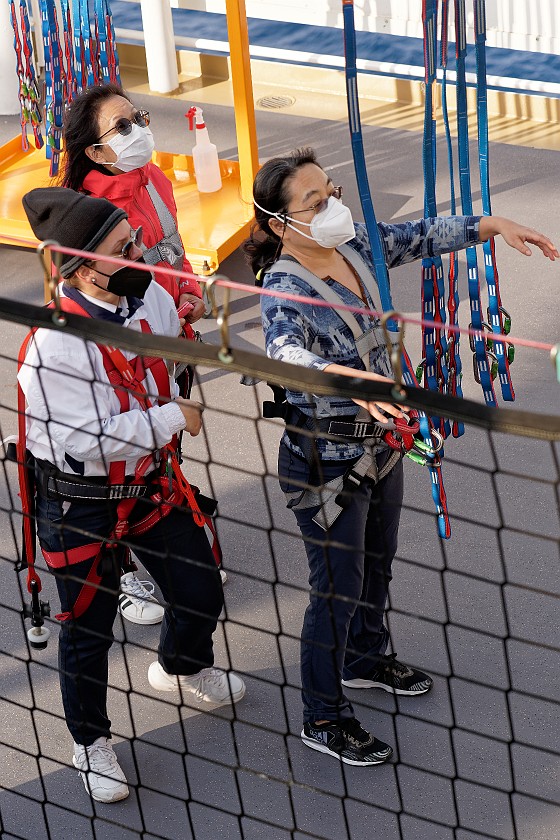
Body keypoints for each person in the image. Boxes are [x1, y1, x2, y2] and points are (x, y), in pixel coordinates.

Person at [243, 147, 558, 767]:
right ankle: (322, 715)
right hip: (326, 462)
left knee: (377, 561)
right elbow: (286, 356)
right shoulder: (285, 288)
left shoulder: (356, 245)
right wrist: (350, 381)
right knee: (335, 586)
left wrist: (491, 226)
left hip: (383, 446)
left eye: (332, 192)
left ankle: (363, 656)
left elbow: (419, 237)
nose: (334, 207)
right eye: (315, 203)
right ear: (281, 225)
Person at [18, 187, 245, 803]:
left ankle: (180, 664)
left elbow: (173, 354)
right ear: (85, 266)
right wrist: (174, 417)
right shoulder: (54, 344)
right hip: (78, 501)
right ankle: (89, 741)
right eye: (127, 248)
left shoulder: (150, 299)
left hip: (148, 483)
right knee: (88, 629)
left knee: (198, 592)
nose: (143, 255)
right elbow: (88, 440)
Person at [58, 82, 220, 623]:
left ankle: (169, 533)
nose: (138, 132)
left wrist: (190, 294)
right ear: (96, 152)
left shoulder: (153, 178)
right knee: (115, 460)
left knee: (163, 441)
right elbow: (95, 293)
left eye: (138, 118)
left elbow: (171, 253)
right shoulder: (91, 212)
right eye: (121, 127)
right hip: (122, 351)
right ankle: (123, 572)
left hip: (171, 338)